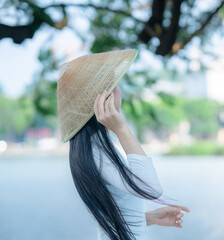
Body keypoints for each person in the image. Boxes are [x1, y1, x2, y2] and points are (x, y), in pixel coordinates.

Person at [56, 49, 190, 240]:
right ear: (103, 98)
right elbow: (152, 189)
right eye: (114, 84)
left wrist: (148, 218)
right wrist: (122, 129)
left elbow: (110, 215)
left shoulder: (92, 150)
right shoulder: (97, 153)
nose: (118, 90)